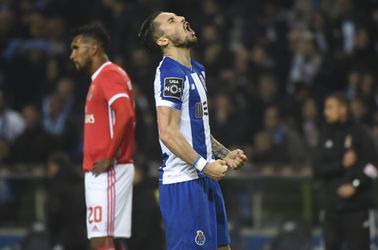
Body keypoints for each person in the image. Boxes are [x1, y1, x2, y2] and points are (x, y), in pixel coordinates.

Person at [139, 12, 248, 250]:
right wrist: (204, 165)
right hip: (184, 183)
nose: (180, 18)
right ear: (162, 40)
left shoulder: (196, 70)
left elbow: (195, 130)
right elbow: (167, 132)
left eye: (178, 16)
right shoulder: (170, 73)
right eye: (171, 20)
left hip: (204, 179)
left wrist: (223, 154)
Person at [69, 23, 136, 250]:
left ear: (94, 48)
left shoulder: (108, 75)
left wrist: (108, 156)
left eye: (76, 48)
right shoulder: (102, 78)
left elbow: (125, 114)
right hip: (105, 169)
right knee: (110, 241)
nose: (72, 55)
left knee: (101, 241)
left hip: (108, 169)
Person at [312, 93, 378, 250]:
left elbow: (377, 164)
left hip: (357, 209)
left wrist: (355, 184)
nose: (326, 112)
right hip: (331, 210)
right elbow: (317, 168)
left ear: (343, 109)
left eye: (330, 107)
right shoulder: (325, 134)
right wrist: (341, 164)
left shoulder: (360, 132)